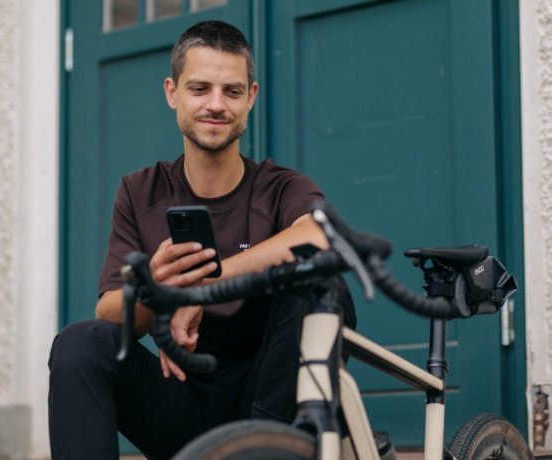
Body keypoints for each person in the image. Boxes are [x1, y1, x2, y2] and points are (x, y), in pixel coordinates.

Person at [47, 20, 355, 459]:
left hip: (269, 402)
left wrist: (206, 287)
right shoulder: (140, 190)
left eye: (231, 91)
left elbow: (323, 237)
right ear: (172, 92)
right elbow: (110, 311)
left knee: (323, 286)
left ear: (250, 98)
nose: (216, 105)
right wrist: (156, 293)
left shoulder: (281, 187)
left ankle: (261, 454)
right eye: (199, 89)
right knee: (79, 342)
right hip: (180, 403)